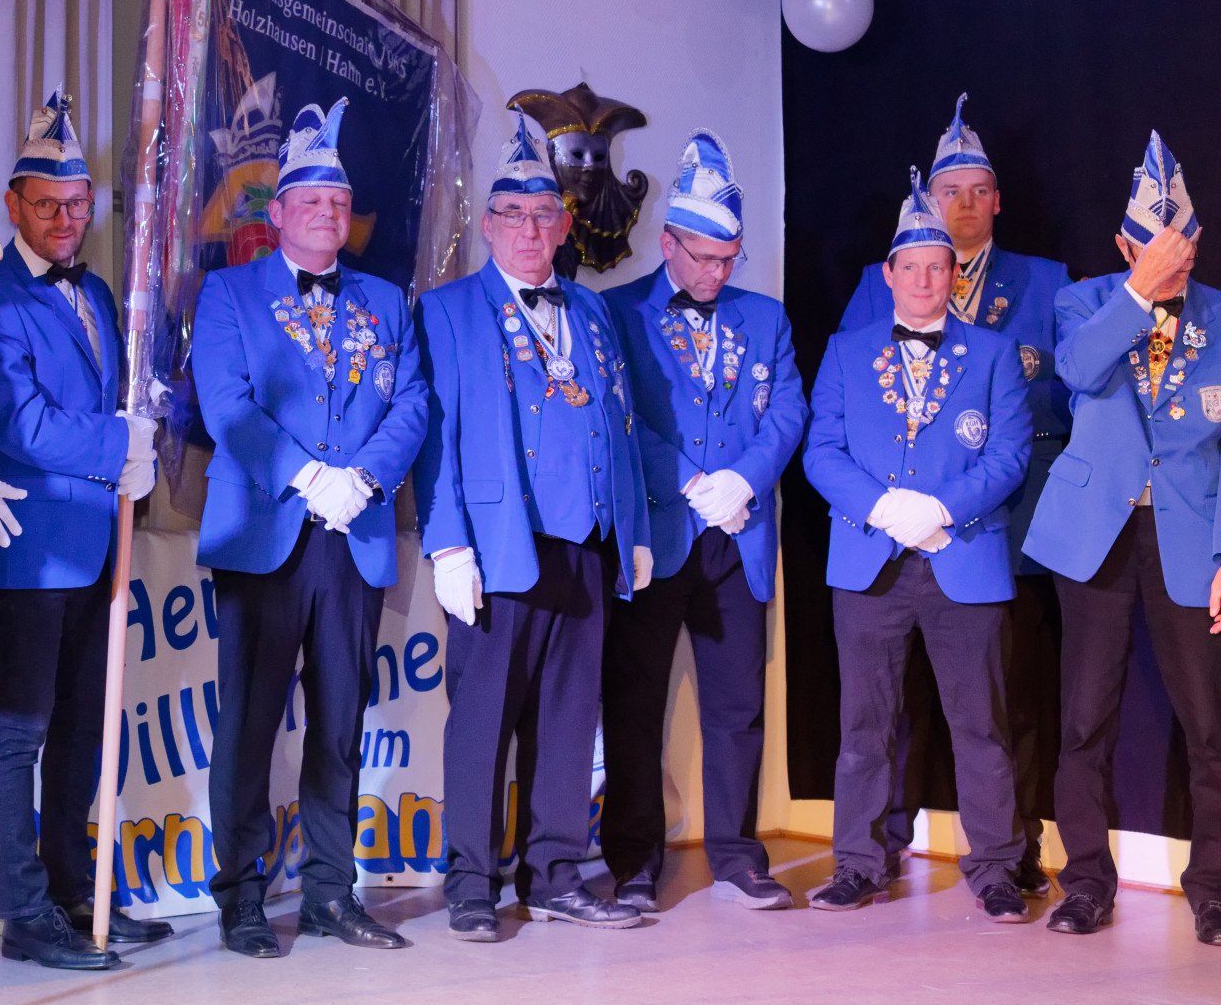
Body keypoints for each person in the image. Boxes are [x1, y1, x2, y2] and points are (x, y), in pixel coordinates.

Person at [192, 98, 428, 958]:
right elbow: (226, 404)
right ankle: (242, 897)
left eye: (340, 201)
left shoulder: (385, 300)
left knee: (339, 723)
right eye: (312, 200)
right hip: (267, 531)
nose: (328, 212)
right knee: (250, 724)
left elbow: (413, 402)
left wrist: (361, 479)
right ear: (281, 209)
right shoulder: (228, 293)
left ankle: (331, 890)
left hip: (354, 532)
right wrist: (306, 474)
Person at [414, 111, 652, 942]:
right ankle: (472, 882)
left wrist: (634, 528)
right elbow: (437, 436)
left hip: (585, 545)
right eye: (512, 214)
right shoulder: (447, 310)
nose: (528, 229)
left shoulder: (590, 310)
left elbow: (619, 423)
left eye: (543, 214)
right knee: (483, 723)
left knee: (568, 720)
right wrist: (447, 543)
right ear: (488, 225)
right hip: (497, 547)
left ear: (562, 225)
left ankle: (553, 873)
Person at [841, 94, 1071, 892]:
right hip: (884, 537)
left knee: (1004, 705)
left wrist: (954, 497)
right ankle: (874, 848)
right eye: (950, 191)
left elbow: (1060, 405)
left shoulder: (1044, 283)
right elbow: (848, 409)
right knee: (881, 710)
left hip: (1002, 528)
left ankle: (1012, 850)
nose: (964, 204)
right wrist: (890, 505)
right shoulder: (873, 295)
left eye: (978, 191)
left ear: (997, 199)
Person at [803, 171, 1032, 921]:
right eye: (913, 267)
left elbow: (1010, 456)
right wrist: (883, 507)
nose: (926, 279)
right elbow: (821, 451)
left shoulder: (994, 353)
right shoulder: (845, 350)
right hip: (870, 561)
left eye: (939, 267)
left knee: (981, 725)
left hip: (963, 558)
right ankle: (859, 862)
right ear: (889, 274)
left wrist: (939, 508)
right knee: (864, 726)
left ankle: (996, 867)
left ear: (953, 273)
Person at [0, 91, 169, 971]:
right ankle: (23, 911)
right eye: (47, 204)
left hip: (100, 544)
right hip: (32, 547)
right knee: (21, 728)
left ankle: (72, 889)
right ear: (14, 203)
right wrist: (118, 443)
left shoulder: (96, 291)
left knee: (85, 729)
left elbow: (106, 402)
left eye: (78, 204)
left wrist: (137, 453)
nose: (65, 220)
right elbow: (20, 423)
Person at [600, 131, 808, 913]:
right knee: (635, 702)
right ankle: (633, 860)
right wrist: (690, 480)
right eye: (706, 258)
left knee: (736, 707)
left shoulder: (767, 318)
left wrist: (744, 479)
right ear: (669, 244)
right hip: (659, 535)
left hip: (739, 535)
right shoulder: (618, 312)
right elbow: (619, 416)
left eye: (729, 258)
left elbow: (787, 411)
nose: (719, 273)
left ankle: (738, 855)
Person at [1021, 132, 1221, 945]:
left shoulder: (1219, 316)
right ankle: (1086, 883)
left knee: (1208, 725)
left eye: (1180, 254)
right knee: (1083, 719)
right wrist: (1140, 292)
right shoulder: (1086, 302)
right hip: (1096, 532)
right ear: (1124, 246)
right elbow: (1076, 372)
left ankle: (1212, 887)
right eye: (1151, 253)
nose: (1171, 267)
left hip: (1190, 535)